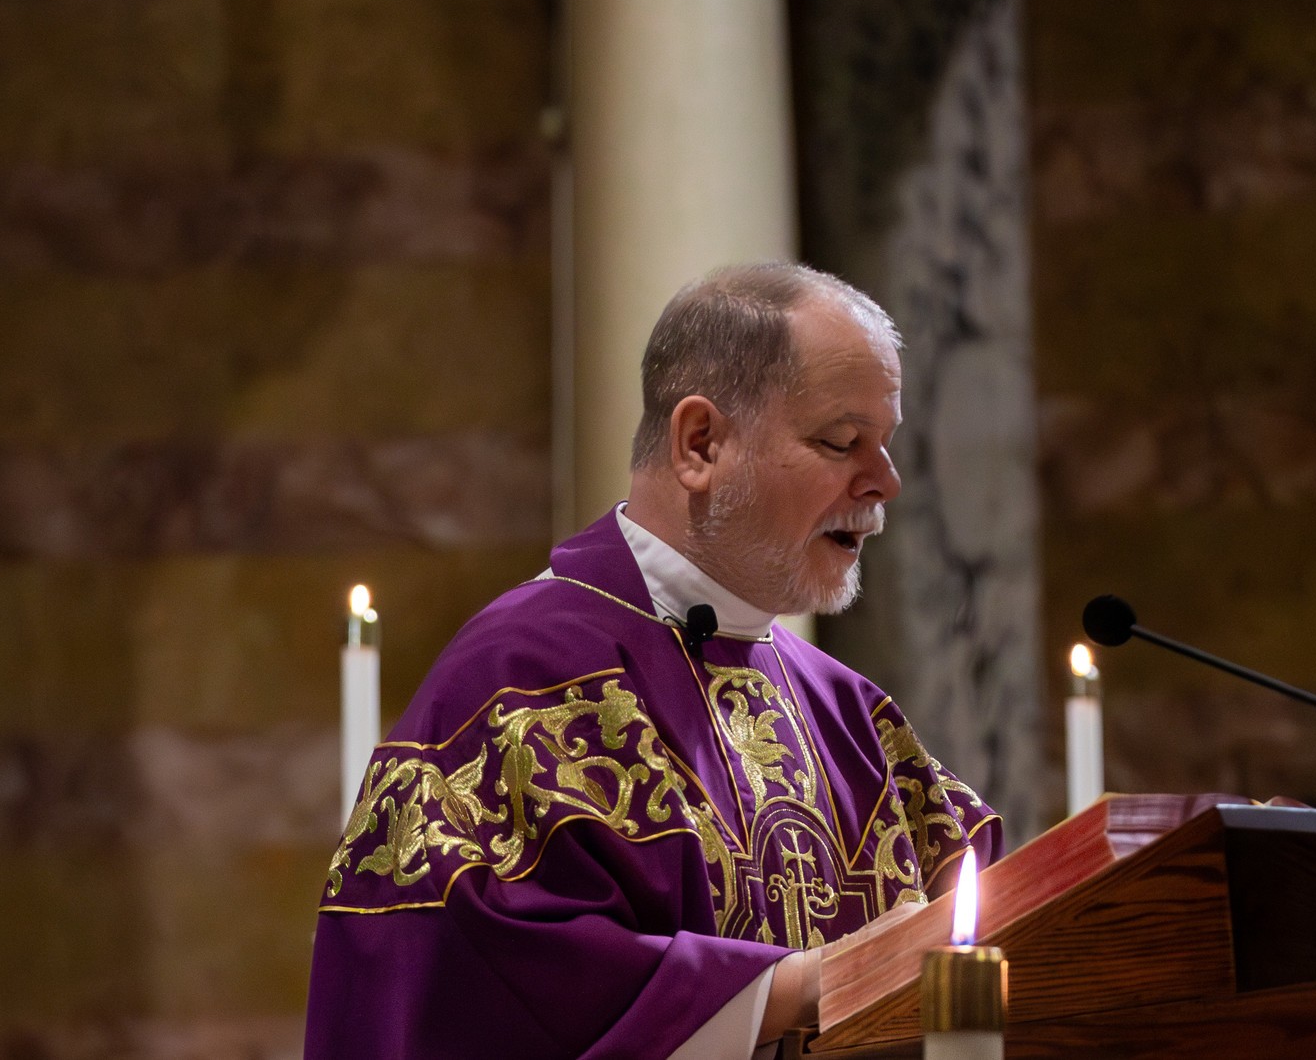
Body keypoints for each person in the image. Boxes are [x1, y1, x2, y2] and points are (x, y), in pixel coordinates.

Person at [304, 263, 1001, 1059]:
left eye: (885, 443)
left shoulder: (850, 713)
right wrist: (807, 984)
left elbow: (992, 921)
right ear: (699, 442)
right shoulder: (517, 680)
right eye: (842, 442)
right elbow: (482, 981)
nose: (884, 482)